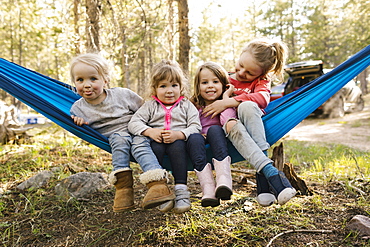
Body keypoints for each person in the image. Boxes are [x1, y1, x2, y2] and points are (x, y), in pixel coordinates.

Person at [69, 53, 175, 213]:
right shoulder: (78, 108)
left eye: (93, 79)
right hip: (116, 138)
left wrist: (155, 127)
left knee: (139, 145)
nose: (87, 85)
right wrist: (77, 121)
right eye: (80, 80)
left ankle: (158, 186)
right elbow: (77, 124)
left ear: (105, 80)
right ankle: (123, 189)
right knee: (120, 138)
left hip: (139, 131)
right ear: (74, 83)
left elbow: (145, 110)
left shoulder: (122, 95)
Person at [202, 38, 297, 206]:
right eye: (240, 65)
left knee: (247, 106)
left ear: (261, 74)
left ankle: (264, 182)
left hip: (252, 126)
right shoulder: (225, 78)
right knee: (234, 116)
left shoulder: (261, 82)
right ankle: (271, 175)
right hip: (229, 128)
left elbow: (262, 98)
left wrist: (228, 101)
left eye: (249, 73)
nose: (241, 73)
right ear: (239, 56)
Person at [128, 59, 202, 214]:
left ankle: (181, 191)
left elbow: (196, 127)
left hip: (179, 143)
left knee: (178, 148)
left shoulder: (187, 105)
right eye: (163, 86)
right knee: (155, 149)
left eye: (174, 85)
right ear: (154, 89)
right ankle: (162, 191)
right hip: (157, 142)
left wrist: (179, 134)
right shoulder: (150, 106)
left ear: (181, 87)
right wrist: (150, 131)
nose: (169, 90)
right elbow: (133, 123)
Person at [187, 61, 237, 207]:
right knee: (194, 137)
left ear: (223, 85)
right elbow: (189, 124)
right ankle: (208, 189)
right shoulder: (194, 106)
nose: (210, 85)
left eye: (215, 81)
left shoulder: (227, 103)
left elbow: (227, 121)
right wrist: (198, 132)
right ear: (198, 86)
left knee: (214, 130)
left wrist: (225, 100)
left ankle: (224, 181)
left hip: (220, 142)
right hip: (200, 145)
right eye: (204, 82)